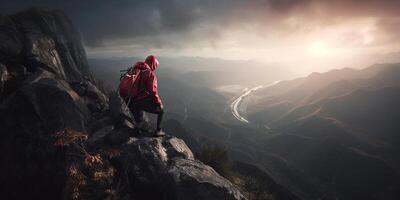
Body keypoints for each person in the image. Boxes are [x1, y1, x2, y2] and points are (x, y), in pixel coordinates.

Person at [122, 55, 165, 136]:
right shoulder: (149, 74)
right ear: (153, 64)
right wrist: (159, 103)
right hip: (139, 101)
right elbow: (153, 91)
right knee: (162, 111)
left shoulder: (134, 69)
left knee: (140, 118)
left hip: (129, 100)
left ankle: (138, 129)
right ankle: (158, 131)